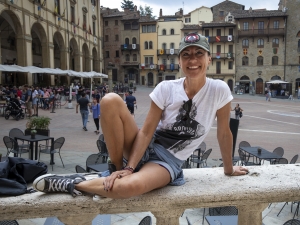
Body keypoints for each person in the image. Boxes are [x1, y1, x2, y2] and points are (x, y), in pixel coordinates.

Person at [33, 33, 248, 199]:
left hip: (168, 162)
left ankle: (70, 183)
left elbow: (224, 133)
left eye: (199, 53)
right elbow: (145, 131)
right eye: (186, 55)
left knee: (130, 187)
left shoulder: (219, 90)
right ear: (180, 61)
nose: (193, 60)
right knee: (109, 100)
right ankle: (115, 169)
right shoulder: (166, 87)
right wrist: (127, 168)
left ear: (209, 58)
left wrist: (228, 170)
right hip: (145, 145)